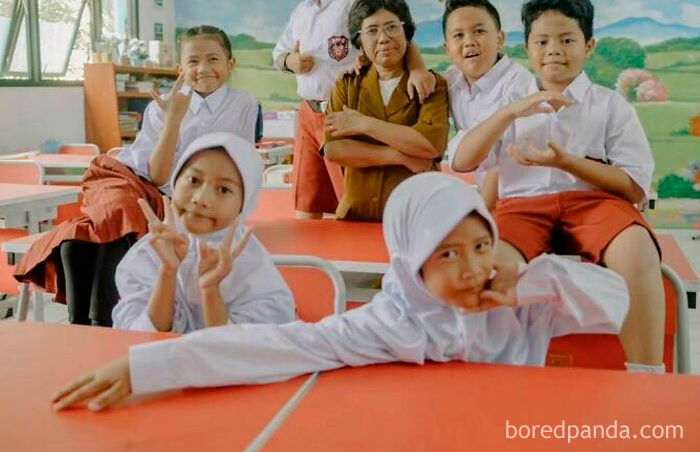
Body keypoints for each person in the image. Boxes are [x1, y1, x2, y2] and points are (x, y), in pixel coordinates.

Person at [51, 173, 628, 412]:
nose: (473, 267)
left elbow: (615, 303)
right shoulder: (391, 323)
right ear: (411, 266)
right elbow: (272, 346)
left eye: (481, 246)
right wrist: (147, 365)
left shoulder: (524, 309)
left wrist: (530, 285)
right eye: (446, 254)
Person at [451, 0, 665, 372]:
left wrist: (568, 162)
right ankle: (489, 375)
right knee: (488, 265)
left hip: (596, 204)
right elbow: (463, 160)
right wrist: (512, 111)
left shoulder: (609, 105)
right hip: (522, 209)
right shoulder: (510, 104)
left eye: (567, 39)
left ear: (589, 46)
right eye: (542, 41)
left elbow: (632, 186)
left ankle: (647, 373)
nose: (554, 50)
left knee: (637, 247)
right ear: (527, 48)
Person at [15, 26, 259, 327]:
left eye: (213, 59)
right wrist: (173, 119)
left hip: (162, 196)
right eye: (193, 62)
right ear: (180, 68)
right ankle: (104, 324)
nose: (204, 69)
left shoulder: (244, 103)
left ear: (230, 64)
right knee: (121, 213)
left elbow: (240, 162)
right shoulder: (162, 107)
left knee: (77, 241)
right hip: (123, 177)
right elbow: (156, 174)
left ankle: (84, 326)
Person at [272, 0, 435, 219]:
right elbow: (278, 54)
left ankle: (358, 262)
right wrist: (289, 61)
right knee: (306, 201)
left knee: (351, 201)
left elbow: (398, 33)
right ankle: (310, 261)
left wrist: (417, 69)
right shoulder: (302, 10)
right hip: (307, 111)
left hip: (345, 111)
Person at [112, 132, 294, 332]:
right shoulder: (152, 249)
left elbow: (245, 351)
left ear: (244, 204)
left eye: (224, 189)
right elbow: (139, 339)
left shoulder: (251, 265)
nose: (201, 198)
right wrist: (168, 272)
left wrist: (210, 290)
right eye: (193, 180)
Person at [323, 0, 449, 220]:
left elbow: (430, 146)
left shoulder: (432, 84)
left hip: (418, 218)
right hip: (355, 217)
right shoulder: (347, 85)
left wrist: (362, 123)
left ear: (406, 32)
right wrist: (398, 155)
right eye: (372, 31)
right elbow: (334, 149)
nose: (383, 38)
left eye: (392, 27)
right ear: (359, 41)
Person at [443, 0, 536, 208]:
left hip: (522, 201)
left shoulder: (520, 87)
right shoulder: (453, 81)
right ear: (447, 48)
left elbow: (465, 161)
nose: (469, 42)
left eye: (478, 31)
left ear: (500, 38)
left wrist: (481, 219)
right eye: (458, 35)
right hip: (485, 197)